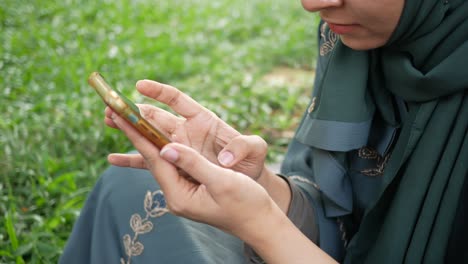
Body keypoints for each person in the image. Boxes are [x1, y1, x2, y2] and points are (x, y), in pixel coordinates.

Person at [60, 0, 468, 263]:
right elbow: (343, 216)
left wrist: (261, 224)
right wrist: (260, 185)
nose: (313, 3)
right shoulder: (355, 39)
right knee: (131, 189)